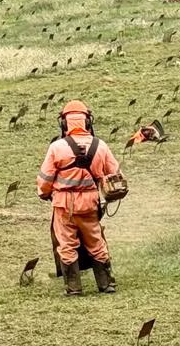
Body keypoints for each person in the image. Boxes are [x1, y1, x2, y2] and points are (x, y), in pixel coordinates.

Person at [37, 100, 121, 296]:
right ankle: (106, 283)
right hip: (91, 203)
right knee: (96, 241)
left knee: (67, 245)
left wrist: (45, 193)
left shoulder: (57, 148)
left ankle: (74, 287)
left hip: (64, 205)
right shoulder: (100, 146)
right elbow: (115, 173)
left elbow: (44, 180)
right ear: (88, 122)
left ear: (64, 123)